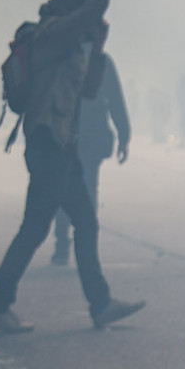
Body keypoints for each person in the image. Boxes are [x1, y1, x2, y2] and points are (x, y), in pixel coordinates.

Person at [0, 0, 145, 334]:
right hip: (48, 145)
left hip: (61, 145)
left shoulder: (67, 42)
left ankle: (100, 305)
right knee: (35, 228)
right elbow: (98, 3)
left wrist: (99, 50)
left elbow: (87, 92)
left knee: (84, 222)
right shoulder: (53, 34)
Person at [50, 53, 132, 266]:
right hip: (90, 135)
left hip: (62, 134)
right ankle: (85, 246)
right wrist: (124, 135)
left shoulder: (60, 55)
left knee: (63, 189)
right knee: (88, 190)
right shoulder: (100, 61)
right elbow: (115, 99)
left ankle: (62, 244)